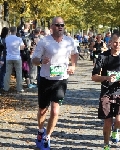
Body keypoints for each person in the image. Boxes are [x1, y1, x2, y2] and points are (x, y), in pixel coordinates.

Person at [32, 16, 78, 150]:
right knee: (42, 110)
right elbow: (34, 59)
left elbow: (75, 54)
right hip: (46, 79)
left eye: (62, 25)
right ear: (52, 27)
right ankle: (41, 131)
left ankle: (47, 136)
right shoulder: (44, 41)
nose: (60, 27)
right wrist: (40, 61)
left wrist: (73, 65)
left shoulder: (69, 41)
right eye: (57, 25)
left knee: (55, 111)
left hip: (61, 79)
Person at [91, 33, 120, 150]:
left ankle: (116, 130)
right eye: (115, 42)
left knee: (119, 120)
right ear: (110, 42)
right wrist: (106, 78)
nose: (117, 45)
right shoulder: (103, 56)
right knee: (107, 121)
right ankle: (106, 144)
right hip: (106, 92)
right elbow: (94, 77)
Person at [4, 27, 25, 92]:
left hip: (9, 57)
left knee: (7, 73)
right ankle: (19, 88)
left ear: (10, 31)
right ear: (16, 31)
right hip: (17, 57)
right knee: (18, 73)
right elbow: (22, 48)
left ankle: (6, 88)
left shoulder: (6, 38)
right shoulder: (19, 39)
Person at [0, 27, 9, 93]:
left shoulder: (1, 38)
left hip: (2, 55)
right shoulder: (6, 39)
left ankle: (2, 84)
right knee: (3, 71)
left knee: (2, 71)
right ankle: (2, 84)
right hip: (4, 56)